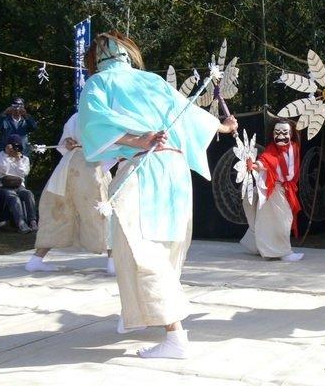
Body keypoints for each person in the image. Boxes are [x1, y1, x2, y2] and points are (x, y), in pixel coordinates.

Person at [78, 31, 238, 359]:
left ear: (97, 57)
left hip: (145, 166)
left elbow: (94, 122)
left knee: (140, 248)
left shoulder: (99, 83)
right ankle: (135, 314)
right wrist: (223, 127)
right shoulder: (151, 80)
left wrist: (138, 140)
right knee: (160, 248)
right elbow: (190, 114)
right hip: (174, 170)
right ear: (126, 53)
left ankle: (175, 336)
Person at [25, 112, 114, 274]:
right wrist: (68, 142)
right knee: (101, 211)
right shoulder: (102, 115)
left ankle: (36, 259)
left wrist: (68, 142)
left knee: (61, 210)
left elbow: (65, 143)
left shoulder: (81, 116)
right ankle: (112, 263)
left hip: (69, 166)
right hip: (89, 166)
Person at [241, 120, 304, 262]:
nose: (281, 136)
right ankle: (283, 252)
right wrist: (255, 165)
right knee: (281, 221)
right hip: (273, 189)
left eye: (284, 132)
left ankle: (265, 249)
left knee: (279, 220)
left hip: (286, 189)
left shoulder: (294, 148)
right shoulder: (271, 149)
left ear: (291, 133)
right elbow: (266, 161)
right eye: (277, 132)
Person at [0, 134, 37, 234]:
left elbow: (23, 173)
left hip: (19, 185)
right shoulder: (1, 155)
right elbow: (3, 170)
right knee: (13, 197)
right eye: (13, 146)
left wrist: (18, 159)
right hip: (4, 184)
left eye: (17, 146)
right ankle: (21, 224)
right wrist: (8, 156)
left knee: (28, 194)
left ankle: (32, 221)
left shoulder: (24, 159)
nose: (15, 148)